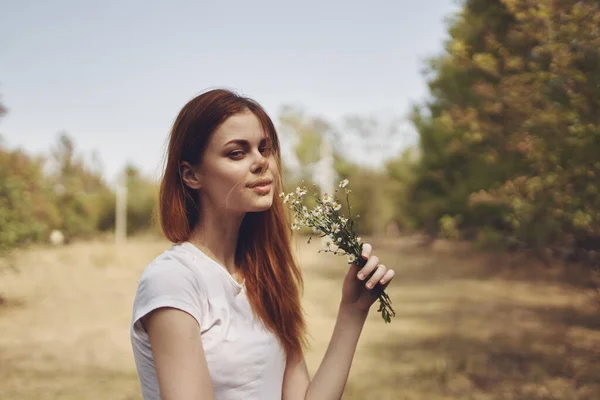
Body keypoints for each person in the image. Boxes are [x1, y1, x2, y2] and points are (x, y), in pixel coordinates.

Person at [130, 88, 395, 400]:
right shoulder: (173, 281)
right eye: (237, 153)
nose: (261, 162)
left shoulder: (265, 276)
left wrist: (353, 310)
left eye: (264, 149)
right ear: (191, 175)